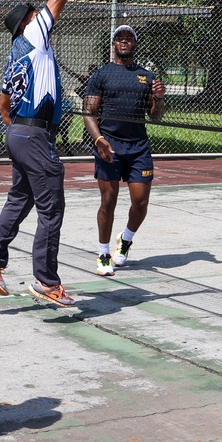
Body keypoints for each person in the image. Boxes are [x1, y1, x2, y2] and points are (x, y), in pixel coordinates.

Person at [0, 0, 106, 306]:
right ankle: (47, 281)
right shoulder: (33, 35)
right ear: (28, 21)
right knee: (52, 208)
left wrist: (18, 132)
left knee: (20, 199)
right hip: (33, 135)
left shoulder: (17, 52)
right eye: (37, 12)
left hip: (20, 133)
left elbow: (2, 103)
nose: (44, 13)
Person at [82, 25, 166, 276]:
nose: (125, 41)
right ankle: (104, 253)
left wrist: (159, 99)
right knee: (108, 200)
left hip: (138, 148)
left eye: (129, 38)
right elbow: (89, 112)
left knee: (140, 203)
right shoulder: (101, 74)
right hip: (109, 146)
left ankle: (126, 239)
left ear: (135, 44)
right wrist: (98, 140)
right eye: (120, 38)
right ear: (114, 43)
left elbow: (157, 117)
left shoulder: (147, 77)